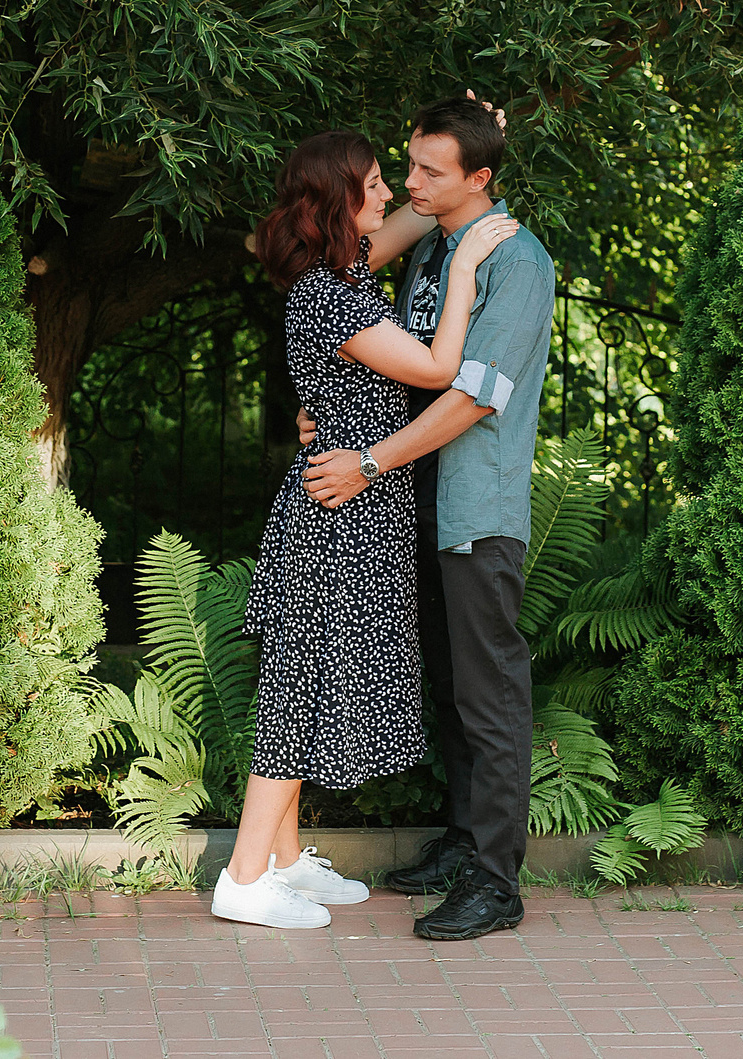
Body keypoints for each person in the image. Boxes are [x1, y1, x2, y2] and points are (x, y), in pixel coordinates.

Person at [212, 128, 521, 930]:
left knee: (308, 678)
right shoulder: (335, 295)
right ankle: (244, 876)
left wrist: (460, 171)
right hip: (338, 512)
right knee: (298, 687)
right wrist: (463, 266)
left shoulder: (339, 274)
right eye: (376, 182)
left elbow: (414, 213)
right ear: (337, 203)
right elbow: (439, 368)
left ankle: (282, 861)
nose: (392, 193)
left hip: (353, 507)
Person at [300, 95, 555, 942]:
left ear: (478, 179)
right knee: (449, 685)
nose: (410, 182)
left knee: (489, 692)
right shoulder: (438, 245)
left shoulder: (516, 261)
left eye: (428, 171)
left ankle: (496, 881)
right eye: (407, 164)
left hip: (475, 508)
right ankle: (463, 841)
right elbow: (379, 339)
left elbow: (475, 396)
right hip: (418, 501)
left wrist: (370, 460)